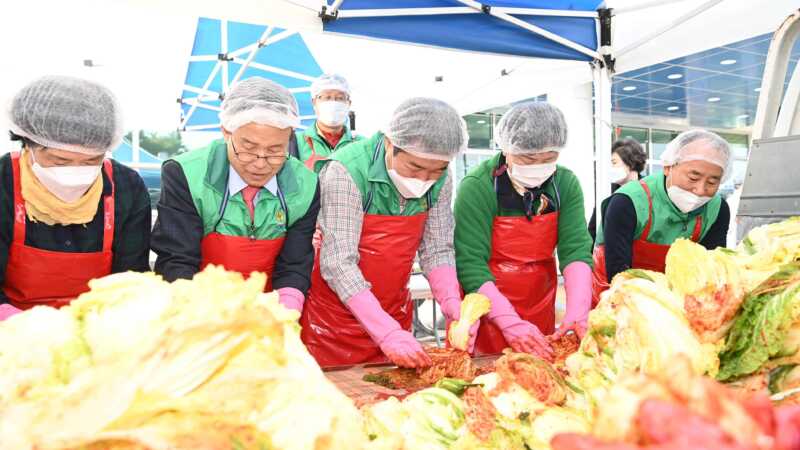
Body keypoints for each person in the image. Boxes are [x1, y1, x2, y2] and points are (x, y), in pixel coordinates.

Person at [300, 97, 470, 368]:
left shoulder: (443, 177)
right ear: (391, 143)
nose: (425, 180)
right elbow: (338, 262)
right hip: (332, 323)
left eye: (435, 171)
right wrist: (385, 331)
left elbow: (438, 249)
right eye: (415, 168)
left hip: (394, 312)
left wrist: (451, 302)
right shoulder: (347, 170)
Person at [151, 77, 319, 314]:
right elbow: (177, 259)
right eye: (248, 148)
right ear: (226, 132)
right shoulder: (186, 174)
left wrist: (286, 313)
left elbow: (293, 265)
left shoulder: (306, 185)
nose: (260, 163)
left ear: (290, 137)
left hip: (268, 308)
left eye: (275, 151)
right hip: (198, 307)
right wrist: (194, 314)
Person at [0, 75, 151, 314]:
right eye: (61, 161)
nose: (76, 172)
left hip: (96, 328)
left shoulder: (126, 187)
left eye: (92, 160)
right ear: (28, 143)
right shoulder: (4, 181)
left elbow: (130, 280)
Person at [454, 102, 594, 360]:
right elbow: (470, 263)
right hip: (489, 303)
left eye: (549, 157)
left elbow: (575, 249)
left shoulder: (565, 183)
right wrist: (507, 320)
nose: (538, 166)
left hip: (540, 299)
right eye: (528, 158)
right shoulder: (477, 186)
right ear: (506, 149)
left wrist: (578, 309)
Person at [591, 129, 731, 304]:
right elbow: (618, 274)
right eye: (693, 178)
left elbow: (709, 272)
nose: (700, 190)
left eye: (712, 182)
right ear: (668, 166)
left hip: (676, 303)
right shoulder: (628, 202)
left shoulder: (717, 209)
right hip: (615, 296)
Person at [294, 74, 360, 171]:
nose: (333, 103)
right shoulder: (295, 141)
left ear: (349, 103)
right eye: (326, 97)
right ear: (314, 102)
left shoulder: (361, 144)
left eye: (340, 98)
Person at [588, 138, 647, 244]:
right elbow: (593, 229)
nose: (610, 168)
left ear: (631, 163)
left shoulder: (648, 190)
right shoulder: (606, 190)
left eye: (614, 163)